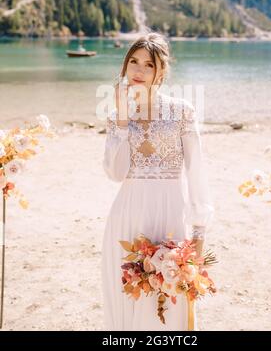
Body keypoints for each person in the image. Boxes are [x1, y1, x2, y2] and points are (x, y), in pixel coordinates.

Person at [101, 32, 214, 331]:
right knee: (129, 298)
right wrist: (123, 122)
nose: (138, 71)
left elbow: (197, 173)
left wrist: (199, 231)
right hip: (127, 216)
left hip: (170, 215)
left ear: (161, 70)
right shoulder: (116, 116)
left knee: (169, 300)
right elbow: (115, 173)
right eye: (133, 62)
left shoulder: (181, 112)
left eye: (148, 64)